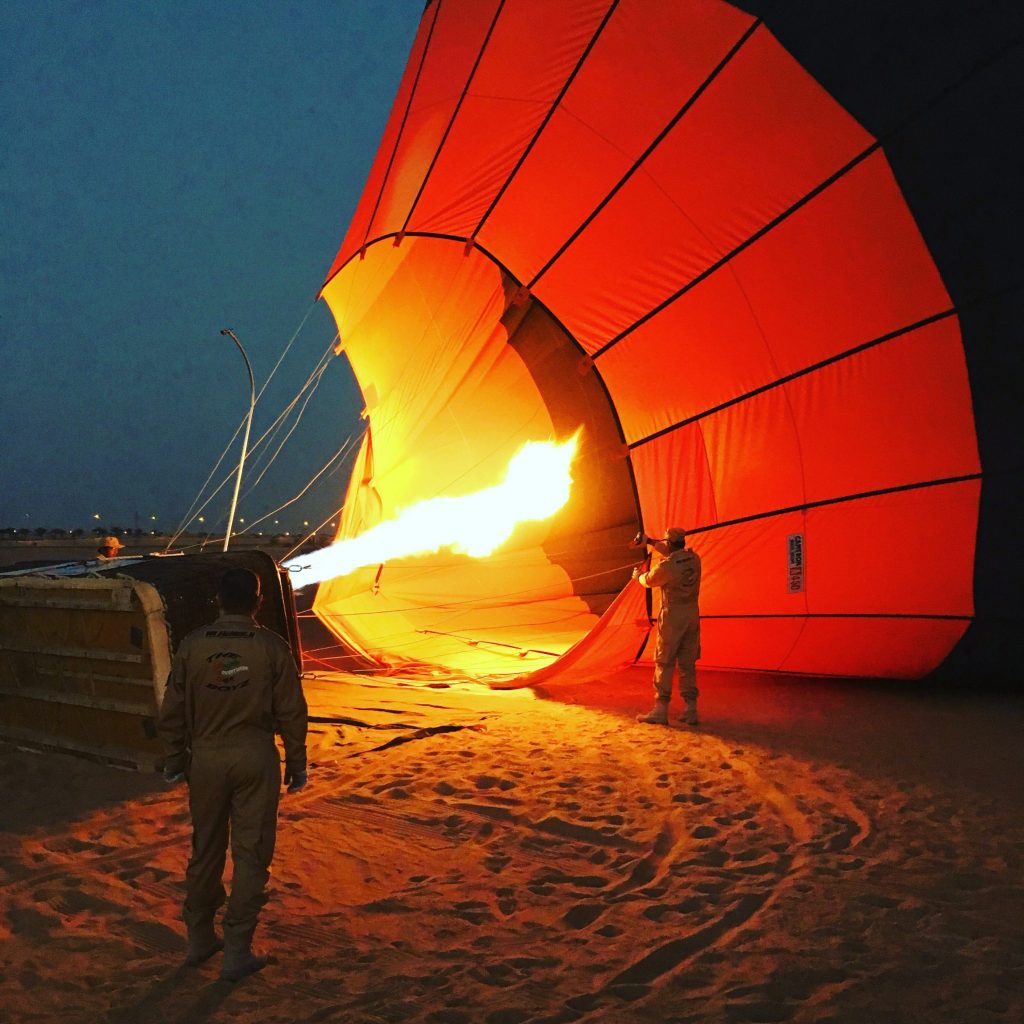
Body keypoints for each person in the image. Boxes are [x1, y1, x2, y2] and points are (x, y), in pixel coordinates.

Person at [158, 567, 308, 981]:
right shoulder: (272, 646)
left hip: (205, 759)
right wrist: (297, 762)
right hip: (255, 757)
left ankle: (199, 937)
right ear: (258, 601)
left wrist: (174, 760)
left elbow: (171, 711)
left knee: (205, 848)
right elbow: (293, 712)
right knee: (251, 851)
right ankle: (237, 948)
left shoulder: (191, 646)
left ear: (218, 600)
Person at [631, 527, 702, 727]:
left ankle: (660, 710)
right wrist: (651, 541)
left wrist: (638, 576)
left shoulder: (668, 567)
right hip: (692, 614)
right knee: (688, 663)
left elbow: (649, 580)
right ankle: (691, 710)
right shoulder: (694, 559)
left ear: (670, 543)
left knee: (664, 661)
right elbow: (673, 554)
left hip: (672, 616)